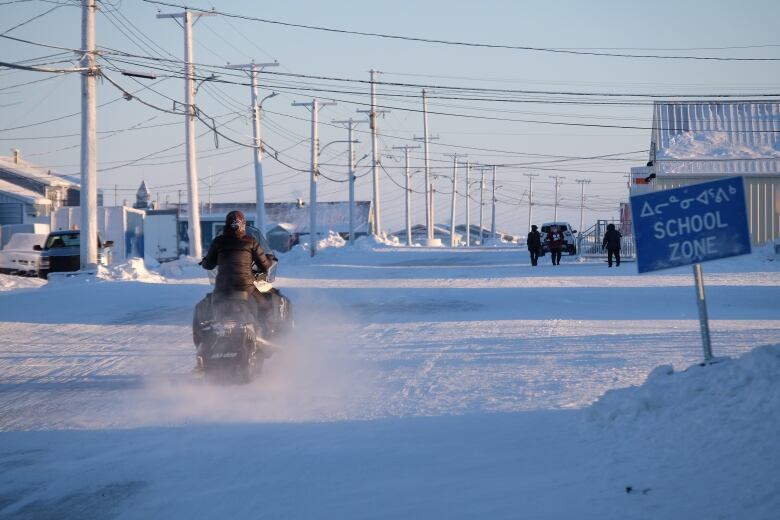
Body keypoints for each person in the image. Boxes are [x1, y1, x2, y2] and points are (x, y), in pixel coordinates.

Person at [193, 211, 276, 369]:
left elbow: (209, 265)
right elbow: (264, 265)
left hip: (222, 290)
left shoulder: (218, 241)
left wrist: (204, 261)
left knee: (205, 313)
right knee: (266, 307)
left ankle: (204, 350)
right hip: (245, 287)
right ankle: (265, 340)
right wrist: (269, 259)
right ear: (243, 224)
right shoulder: (250, 242)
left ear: (226, 224)